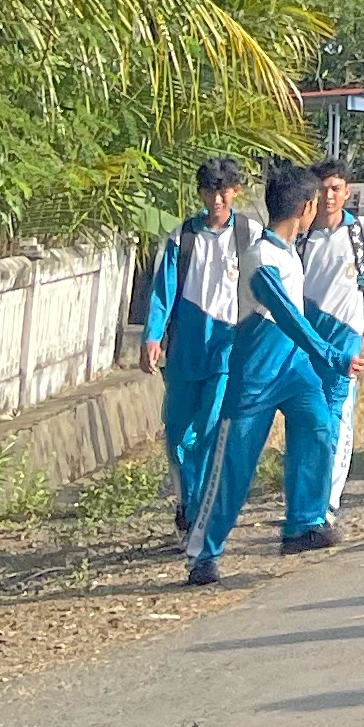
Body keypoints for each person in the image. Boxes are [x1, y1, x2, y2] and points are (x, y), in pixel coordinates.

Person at [184, 164, 364, 581]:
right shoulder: (260, 257)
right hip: (256, 375)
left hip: (294, 370)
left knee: (319, 427)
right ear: (305, 208)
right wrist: (330, 354)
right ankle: (202, 553)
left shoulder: (288, 252)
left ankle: (303, 524)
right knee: (233, 465)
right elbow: (286, 314)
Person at [141, 158, 247, 537]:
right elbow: (163, 292)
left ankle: (201, 510)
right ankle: (187, 502)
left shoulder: (249, 236)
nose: (216, 199)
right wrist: (152, 336)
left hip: (226, 351)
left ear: (235, 191)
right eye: (208, 191)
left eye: (223, 191)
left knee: (209, 429)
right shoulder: (182, 238)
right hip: (185, 351)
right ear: (200, 194)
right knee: (177, 435)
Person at [294, 160, 364, 528]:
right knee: (311, 421)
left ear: (347, 192)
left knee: (339, 418)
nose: (329, 196)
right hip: (308, 341)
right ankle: (306, 495)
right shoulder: (301, 236)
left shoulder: (362, 233)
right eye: (323, 189)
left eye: (335, 189)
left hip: (346, 341)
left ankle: (328, 501)